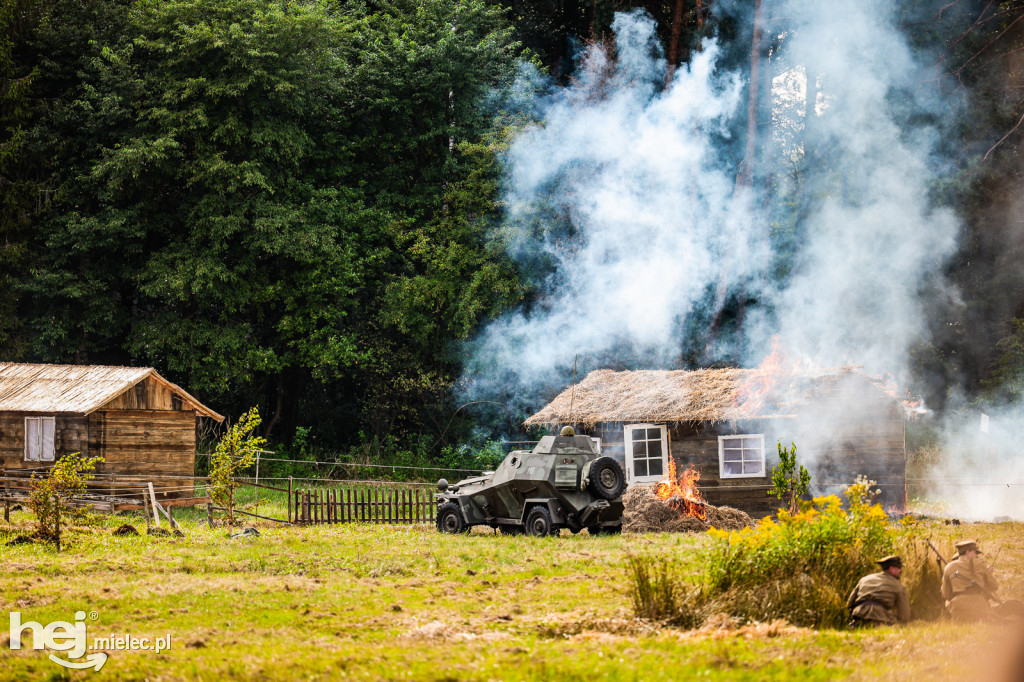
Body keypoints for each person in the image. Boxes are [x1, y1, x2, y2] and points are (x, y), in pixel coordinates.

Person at [941, 539, 1021, 622]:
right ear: (968, 552)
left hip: (958, 612)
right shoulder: (979, 563)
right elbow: (994, 586)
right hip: (979, 609)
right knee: (1011, 620)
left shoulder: (949, 567)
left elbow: (946, 594)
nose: (977, 555)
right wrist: (987, 575)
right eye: (975, 553)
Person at [848, 555, 911, 626]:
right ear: (891, 568)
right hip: (881, 619)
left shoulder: (864, 579)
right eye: (899, 568)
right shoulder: (899, 586)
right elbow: (904, 614)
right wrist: (902, 625)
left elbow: (850, 602)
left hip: (859, 616)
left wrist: (855, 615)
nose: (901, 571)